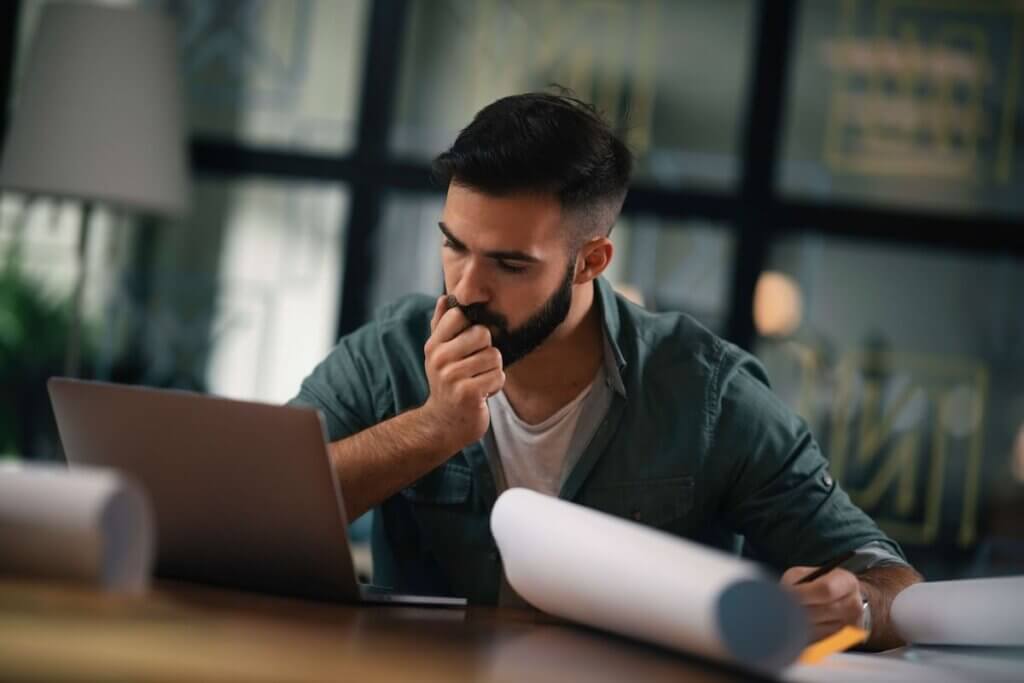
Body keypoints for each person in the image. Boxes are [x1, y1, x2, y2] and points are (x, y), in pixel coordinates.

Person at [289, 91, 921, 649]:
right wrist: (431, 430)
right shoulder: (393, 349)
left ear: (591, 261)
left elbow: (890, 579)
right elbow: (253, 514)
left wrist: (858, 607)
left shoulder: (706, 391)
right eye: (454, 245)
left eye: (510, 265)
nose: (466, 286)